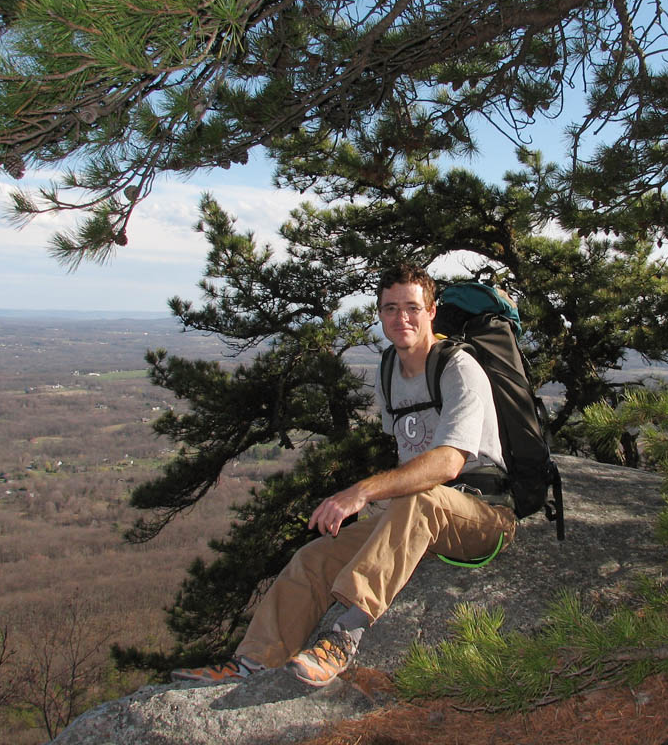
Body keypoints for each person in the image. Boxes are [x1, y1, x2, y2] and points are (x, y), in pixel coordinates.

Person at [171, 263, 517, 687]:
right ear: (379, 313)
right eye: (390, 308)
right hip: (416, 519)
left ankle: (344, 635)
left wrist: (363, 493)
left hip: (483, 515)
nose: (401, 318)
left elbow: (447, 463)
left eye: (412, 307)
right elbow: (409, 450)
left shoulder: (457, 368)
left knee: (418, 500)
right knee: (313, 557)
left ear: (432, 311)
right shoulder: (389, 371)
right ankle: (254, 662)